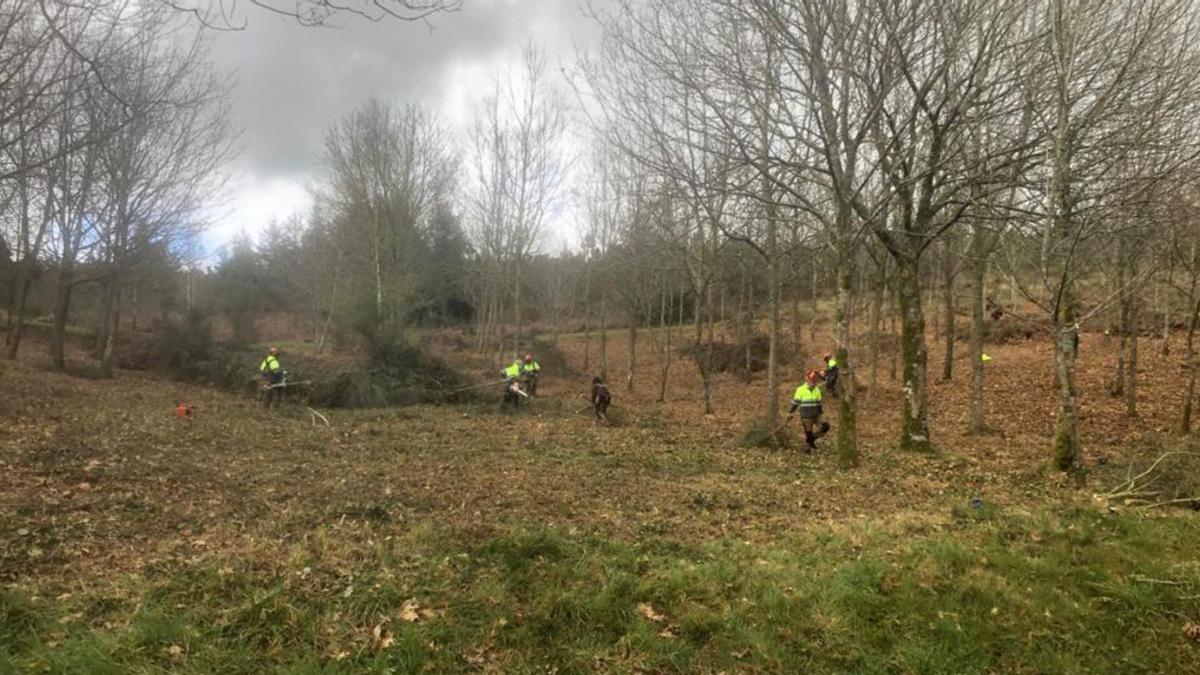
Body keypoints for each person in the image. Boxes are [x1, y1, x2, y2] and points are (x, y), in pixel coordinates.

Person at [789, 369, 831, 452]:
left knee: (826, 426)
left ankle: (812, 439)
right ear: (808, 380)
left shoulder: (817, 390)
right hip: (806, 414)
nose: (814, 383)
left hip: (816, 413)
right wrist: (790, 412)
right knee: (808, 431)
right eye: (813, 381)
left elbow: (819, 403)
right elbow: (795, 403)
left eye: (815, 381)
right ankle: (808, 447)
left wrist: (821, 413)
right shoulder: (800, 389)